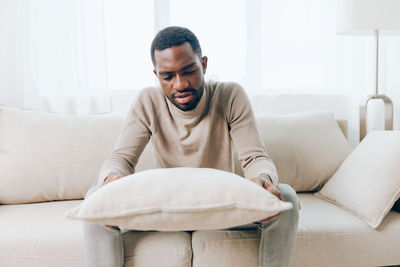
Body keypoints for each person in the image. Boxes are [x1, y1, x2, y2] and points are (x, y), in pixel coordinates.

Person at [83, 26, 299, 267]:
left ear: (203, 64)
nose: (180, 84)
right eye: (168, 76)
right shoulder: (148, 101)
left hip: (220, 206)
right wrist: (111, 179)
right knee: (95, 197)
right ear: (156, 75)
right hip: (167, 208)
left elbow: (255, 158)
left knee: (286, 196)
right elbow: (121, 159)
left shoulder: (230, 95)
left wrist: (263, 179)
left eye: (189, 71)